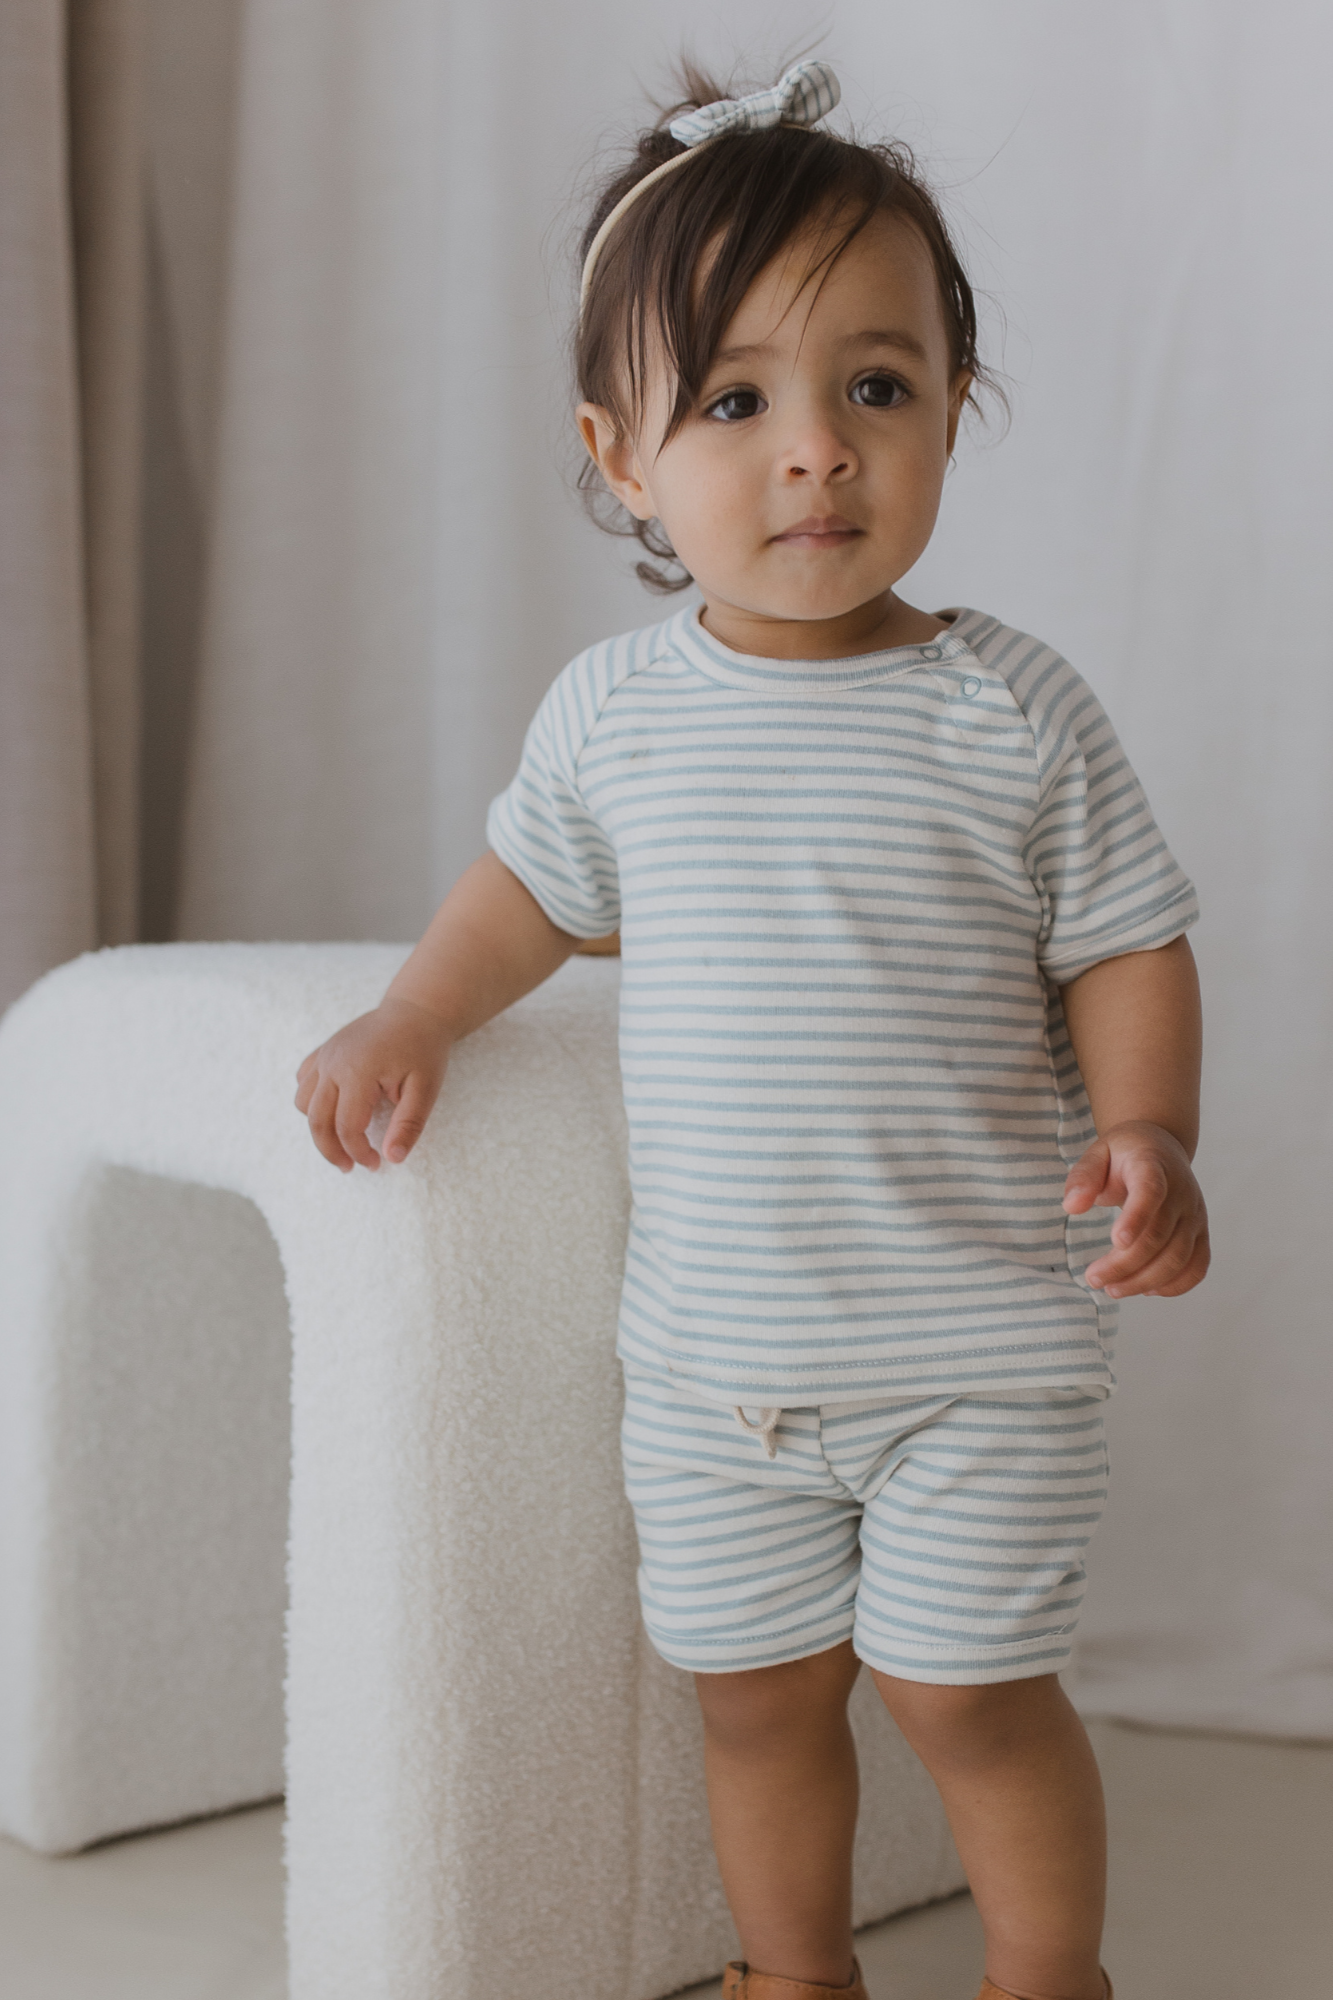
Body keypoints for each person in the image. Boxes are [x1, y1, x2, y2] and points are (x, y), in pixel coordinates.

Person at [295, 59, 1208, 2000]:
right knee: (759, 1696)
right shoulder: (615, 718)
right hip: (717, 1369)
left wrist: (1152, 1129)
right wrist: (415, 1014)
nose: (815, 450)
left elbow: (1127, 940)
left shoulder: (1013, 712)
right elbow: (523, 894)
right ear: (619, 451)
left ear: (955, 406)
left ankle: (1051, 1969)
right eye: (735, 399)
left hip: (978, 1343)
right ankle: (795, 1974)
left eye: (876, 386)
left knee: (964, 1688)